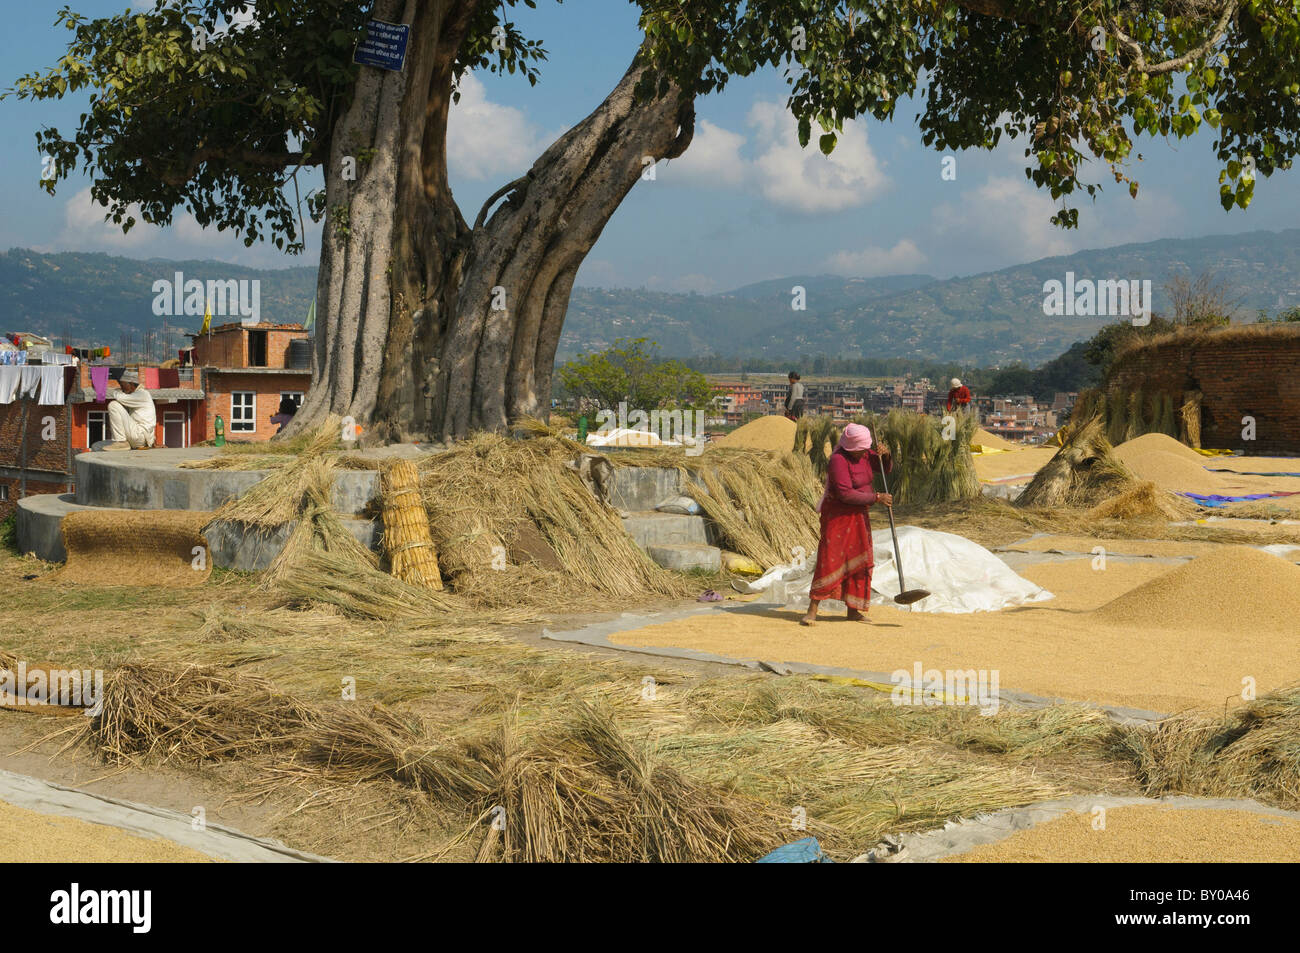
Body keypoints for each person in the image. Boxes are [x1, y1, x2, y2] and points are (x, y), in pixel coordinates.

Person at [802, 423, 892, 626]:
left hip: (859, 515)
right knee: (830, 558)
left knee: (860, 560)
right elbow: (845, 493)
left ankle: (854, 610)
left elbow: (883, 469)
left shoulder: (866, 454)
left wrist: (885, 456)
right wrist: (876, 497)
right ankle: (812, 610)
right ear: (852, 447)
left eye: (866, 449)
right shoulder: (838, 460)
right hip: (838, 516)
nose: (864, 453)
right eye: (861, 449)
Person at [102, 369, 156, 451]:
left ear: (131, 384)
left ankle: (121, 442)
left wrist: (117, 391)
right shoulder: (136, 395)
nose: (122, 388)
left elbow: (119, 397)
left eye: (123, 385)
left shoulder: (142, 394)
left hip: (139, 436)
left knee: (113, 405)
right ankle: (121, 442)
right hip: (138, 437)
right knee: (98, 445)